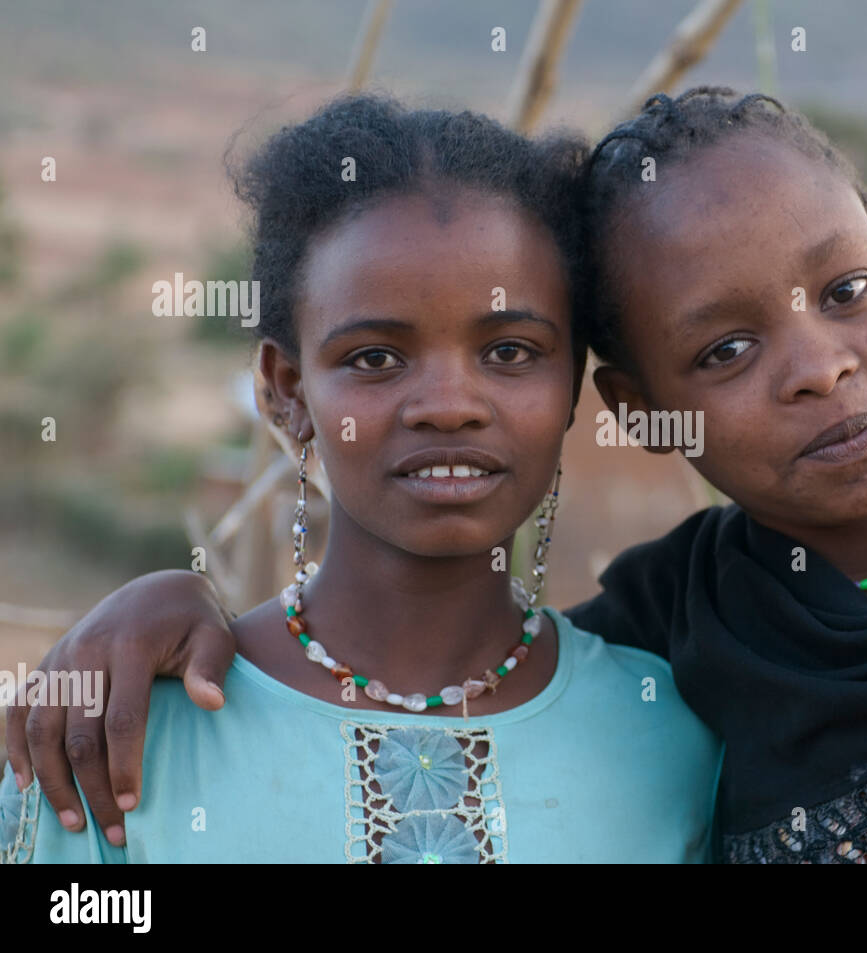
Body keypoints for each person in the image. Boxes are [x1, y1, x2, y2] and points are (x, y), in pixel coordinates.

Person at [9, 88, 867, 864]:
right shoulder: (662, 667)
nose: (814, 367)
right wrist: (159, 601)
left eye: (846, 291)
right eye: (724, 348)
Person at [0, 94, 721, 863]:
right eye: (374, 357)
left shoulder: (673, 737)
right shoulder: (126, 735)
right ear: (287, 390)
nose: (449, 407)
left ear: (571, 384)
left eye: (510, 352)